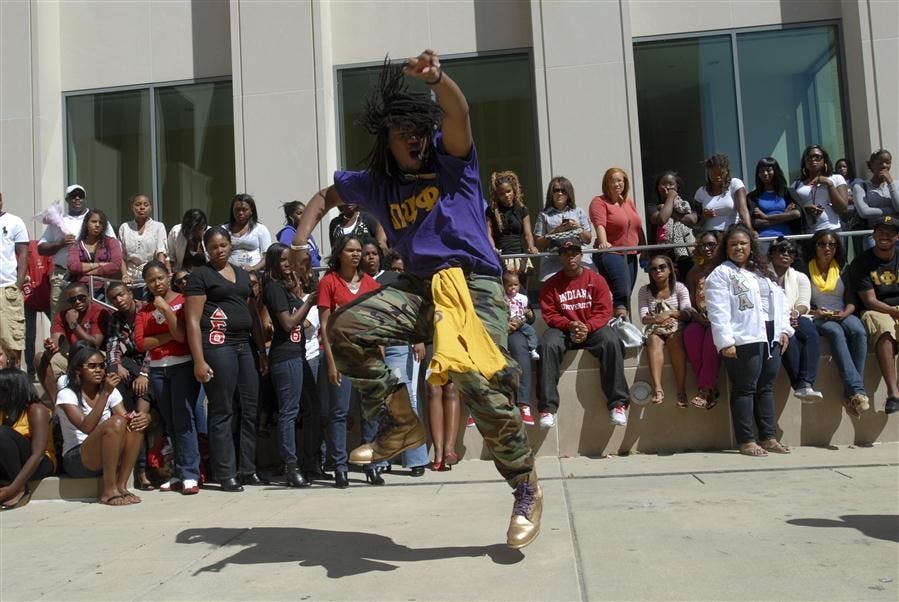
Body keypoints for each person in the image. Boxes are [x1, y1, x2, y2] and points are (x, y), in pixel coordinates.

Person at [289, 50, 542, 549]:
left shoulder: (454, 166)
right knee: (346, 329)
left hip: (473, 287)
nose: (415, 141)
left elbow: (459, 114)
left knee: (477, 385)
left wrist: (438, 79)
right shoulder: (377, 185)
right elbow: (323, 198)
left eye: (419, 131)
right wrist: (300, 240)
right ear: (387, 140)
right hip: (419, 289)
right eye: (404, 135)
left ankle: (525, 487)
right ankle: (399, 422)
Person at [184, 227, 268, 492]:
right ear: (207, 249)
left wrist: (261, 350)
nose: (219, 250)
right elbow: (193, 321)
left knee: (251, 408)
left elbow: (252, 313)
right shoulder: (201, 276)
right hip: (218, 345)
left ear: (230, 245)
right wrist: (199, 360)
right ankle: (225, 472)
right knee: (222, 409)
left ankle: (247, 468)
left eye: (223, 245)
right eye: (214, 247)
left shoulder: (242, 274)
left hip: (245, 345)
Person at [705, 224, 794, 457]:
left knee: (765, 387)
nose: (738, 248)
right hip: (743, 337)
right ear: (725, 248)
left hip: (770, 336)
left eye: (743, 243)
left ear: (751, 246)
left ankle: (768, 437)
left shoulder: (761, 271)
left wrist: (784, 330)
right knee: (744, 389)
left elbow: (781, 302)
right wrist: (725, 341)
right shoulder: (721, 274)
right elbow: (717, 310)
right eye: (733, 244)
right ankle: (746, 440)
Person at [537, 239, 630, 427]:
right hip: (563, 329)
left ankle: (618, 404)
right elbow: (549, 314)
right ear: (560, 257)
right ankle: (547, 408)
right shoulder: (551, 284)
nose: (570, 257)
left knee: (611, 341)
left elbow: (604, 311)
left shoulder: (596, 280)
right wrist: (570, 324)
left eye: (573, 253)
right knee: (548, 344)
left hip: (592, 328)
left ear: (581, 254)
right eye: (565, 253)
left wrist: (587, 327)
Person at [361, 238, 430, 476]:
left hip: (398, 347)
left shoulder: (393, 279)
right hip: (370, 351)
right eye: (365, 254)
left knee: (406, 400)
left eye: (373, 253)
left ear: (380, 257)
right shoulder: (358, 283)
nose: (370, 257)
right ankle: (382, 459)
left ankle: (416, 459)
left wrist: (417, 337)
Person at [317, 235, 381, 488]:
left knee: (370, 413)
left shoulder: (371, 284)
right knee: (339, 413)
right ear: (339, 253)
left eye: (359, 251)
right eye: (350, 250)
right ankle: (340, 466)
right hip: (340, 355)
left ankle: (371, 466)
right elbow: (324, 325)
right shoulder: (329, 282)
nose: (356, 255)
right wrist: (332, 362)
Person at [133, 261, 202, 494]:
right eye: (151, 280)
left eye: (160, 278)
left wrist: (164, 311)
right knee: (170, 422)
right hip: (157, 368)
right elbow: (141, 343)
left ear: (168, 276)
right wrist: (167, 335)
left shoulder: (182, 302)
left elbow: (182, 335)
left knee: (184, 419)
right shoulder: (144, 310)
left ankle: (191, 474)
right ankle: (177, 473)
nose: (156, 284)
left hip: (181, 365)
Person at [56, 346, 149, 505]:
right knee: (116, 422)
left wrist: (145, 418)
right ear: (79, 370)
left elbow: (125, 418)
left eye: (101, 366)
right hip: (77, 458)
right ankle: (108, 490)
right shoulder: (67, 394)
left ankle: (121, 486)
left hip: (107, 453)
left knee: (134, 424)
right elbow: (86, 427)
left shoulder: (109, 391)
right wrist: (105, 394)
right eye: (92, 366)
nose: (98, 370)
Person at [261, 243, 317, 488]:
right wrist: (309, 301)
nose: (287, 263)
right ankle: (291, 466)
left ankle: (310, 462)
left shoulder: (287, 287)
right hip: (285, 357)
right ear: (273, 262)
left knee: (311, 407)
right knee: (289, 412)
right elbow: (288, 322)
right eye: (282, 260)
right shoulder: (273, 288)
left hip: (298, 354)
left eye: (289, 259)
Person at [807, 230, 869, 417]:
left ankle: (853, 392)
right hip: (816, 316)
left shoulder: (843, 267)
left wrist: (845, 313)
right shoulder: (803, 269)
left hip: (842, 312)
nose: (827, 248)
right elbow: (800, 302)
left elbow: (852, 300)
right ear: (814, 246)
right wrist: (816, 312)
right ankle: (857, 390)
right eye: (822, 244)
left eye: (832, 244)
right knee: (835, 332)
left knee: (858, 330)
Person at [847, 215, 899, 415]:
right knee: (885, 330)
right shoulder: (862, 262)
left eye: (890, 232)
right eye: (880, 231)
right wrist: (894, 312)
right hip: (876, 308)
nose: (884, 236)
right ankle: (894, 394)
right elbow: (869, 300)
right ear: (874, 234)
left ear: (897, 236)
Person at [105, 280, 153, 490]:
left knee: (140, 416)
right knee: (131, 416)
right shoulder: (116, 318)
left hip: (153, 366)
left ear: (129, 293)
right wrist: (116, 365)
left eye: (122, 295)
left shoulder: (148, 310)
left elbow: (157, 346)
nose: (119, 300)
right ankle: (139, 472)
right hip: (130, 367)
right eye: (114, 298)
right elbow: (113, 345)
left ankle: (145, 470)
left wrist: (144, 373)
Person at [37, 184, 115, 314]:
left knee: (95, 314)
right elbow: (41, 248)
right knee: (60, 315)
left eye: (80, 196)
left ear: (85, 198)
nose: (77, 199)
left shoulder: (96, 219)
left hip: (92, 275)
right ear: (67, 199)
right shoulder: (58, 221)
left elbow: (113, 244)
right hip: (63, 275)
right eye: (73, 196)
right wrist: (60, 243)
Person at [35, 281, 110, 404]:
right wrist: (51, 345)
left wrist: (74, 325)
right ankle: (57, 405)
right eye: (72, 300)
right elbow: (56, 339)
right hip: (74, 359)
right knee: (40, 358)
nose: (77, 302)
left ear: (89, 296)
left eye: (81, 298)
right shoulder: (63, 315)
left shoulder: (99, 311)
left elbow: (95, 344)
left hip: (97, 358)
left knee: (98, 358)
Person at [767, 237, 823, 401]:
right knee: (787, 338)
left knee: (811, 333)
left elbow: (804, 303)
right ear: (772, 254)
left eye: (790, 252)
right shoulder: (761, 275)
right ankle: (800, 386)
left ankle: (806, 382)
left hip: (795, 315)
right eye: (781, 250)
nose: (786, 254)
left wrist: (795, 313)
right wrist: (783, 316)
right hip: (772, 318)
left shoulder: (800, 277)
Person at [589, 167, 646, 318]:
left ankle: (620, 328)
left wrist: (644, 249)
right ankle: (618, 326)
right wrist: (603, 242)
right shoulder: (599, 202)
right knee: (622, 291)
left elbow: (637, 225)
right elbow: (599, 223)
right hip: (612, 253)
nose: (616, 184)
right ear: (606, 183)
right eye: (612, 180)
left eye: (620, 180)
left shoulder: (628, 202)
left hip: (631, 254)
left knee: (625, 296)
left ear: (625, 182)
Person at [637, 254, 691, 407]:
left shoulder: (679, 287)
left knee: (674, 339)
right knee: (653, 340)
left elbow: (687, 312)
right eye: (653, 269)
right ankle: (658, 389)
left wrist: (670, 314)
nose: (657, 271)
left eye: (662, 267)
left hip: (677, 327)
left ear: (670, 270)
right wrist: (658, 319)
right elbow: (643, 317)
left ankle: (681, 391)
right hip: (656, 329)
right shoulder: (644, 291)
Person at [0, 368, 56, 510]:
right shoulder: (3, 410)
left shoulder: (36, 410)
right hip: (12, 462)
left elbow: (38, 454)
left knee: (3, 433)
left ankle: (20, 491)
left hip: (41, 462)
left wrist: (14, 487)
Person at [683, 231, 722, 409]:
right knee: (691, 335)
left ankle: (705, 389)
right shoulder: (694, 272)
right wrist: (697, 317)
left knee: (711, 341)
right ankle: (710, 389)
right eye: (703, 245)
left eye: (711, 245)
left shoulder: (725, 268)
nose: (707, 249)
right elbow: (689, 300)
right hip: (700, 318)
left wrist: (715, 318)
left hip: (720, 319)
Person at [533, 176, 594, 282]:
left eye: (563, 190)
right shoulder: (544, 215)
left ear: (569, 193)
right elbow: (538, 243)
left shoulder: (578, 211)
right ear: (551, 193)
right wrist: (556, 231)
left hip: (577, 257)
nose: (560, 193)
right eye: (556, 190)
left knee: (592, 278)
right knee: (550, 284)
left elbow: (588, 239)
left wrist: (578, 228)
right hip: (554, 258)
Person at [486, 171, 539, 288]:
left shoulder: (522, 209)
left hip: (519, 257)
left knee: (522, 294)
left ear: (514, 190)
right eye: (502, 193)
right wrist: (492, 248)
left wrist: (531, 246)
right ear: (497, 195)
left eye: (508, 191)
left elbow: (528, 233)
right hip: (501, 257)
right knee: (505, 293)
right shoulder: (491, 211)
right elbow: (488, 232)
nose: (506, 195)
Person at [502, 271, 538, 426]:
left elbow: (531, 317)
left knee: (520, 348)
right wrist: (503, 325)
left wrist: (526, 317)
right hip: (495, 331)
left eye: (515, 285)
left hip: (517, 330)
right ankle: (480, 407)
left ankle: (523, 404)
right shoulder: (490, 287)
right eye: (509, 285)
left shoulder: (518, 289)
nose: (513, 288)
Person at [648, 171, 697, 280]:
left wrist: (669, 210)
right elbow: (662, 218)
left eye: (671, 184)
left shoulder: (685, 205)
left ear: (677, 187)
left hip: (685, 254)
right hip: (662, 255)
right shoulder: (653, 207)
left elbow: (692, 220)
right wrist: (670, 198)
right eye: (663, 184)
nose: (667, 187)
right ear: (657, 187)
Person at [0, 192, 29, 368]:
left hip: (8, 288)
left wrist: (18, 285)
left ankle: (15, 386)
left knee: (12, 342)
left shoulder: (14, 222)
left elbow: (24, 254)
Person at [747, 157, 802, 249]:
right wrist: (785, 215)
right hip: (763, 240)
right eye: (761, 171)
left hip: (786, 239)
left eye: (768, 170)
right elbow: (754, 222)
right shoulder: (753, 197)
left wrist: (766, 216)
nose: (765, 173)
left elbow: (797, 214)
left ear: (775, 171)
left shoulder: (788, 193)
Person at [793, 144, 849, 233]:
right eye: (809, 157)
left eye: (817, 157)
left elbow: (843, 209)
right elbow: (791, 208)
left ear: (824, 160)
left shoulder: (836, 178)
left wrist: (829, 184)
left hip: (831, 229)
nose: (813, 159)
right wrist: (805, 209)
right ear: (805, 162)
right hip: (807, 232)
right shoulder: (796, 184)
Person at [118, 193, 168, 287]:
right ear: (132, 208)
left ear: (150, 207)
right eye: (138, 204)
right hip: (130, 279)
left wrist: (159, 274)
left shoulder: (158, 227)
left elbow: (161, 253)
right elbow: (121, 256)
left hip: (151, 278)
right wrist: (124, 275)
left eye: (146, 205)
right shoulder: (125, 227)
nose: (142, 207)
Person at [853, 149, 899, 250]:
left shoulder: (896, 185)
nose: (884, 166)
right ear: (871, 164)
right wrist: (892, 210)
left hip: (896, 234)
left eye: (888, 162)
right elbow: (864, 212)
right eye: (880, 162)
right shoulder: (861, 186)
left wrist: (890, 183)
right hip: (874, 236)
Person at [693, 153, 751, 232]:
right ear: (708, 172)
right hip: (710, 238)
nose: (717, 177)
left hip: (730, 235)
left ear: (727, 171)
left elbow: (743, 211)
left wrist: (749, 232)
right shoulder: (701, 192)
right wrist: (704, 217)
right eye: (713, 173)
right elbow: (696, 224)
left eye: (721, 173)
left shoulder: (735, 184)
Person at [67, 209, 123, 287]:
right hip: (81, 289)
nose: (97, 225)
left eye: (101, 223)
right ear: (86, 223)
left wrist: (90, 272)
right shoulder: (76, 245)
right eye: (94, 221)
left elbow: (116, 265)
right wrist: (99, 264)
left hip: (105, 288)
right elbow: (73, 266)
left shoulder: (112, 242)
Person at [226, 194, 272, 272]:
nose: (240, 213)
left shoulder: (260, 229)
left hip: (254, 274)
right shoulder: (224, 230)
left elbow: (267, 256)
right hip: (230, 274)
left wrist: (254, 268)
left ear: (251, 211)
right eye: (237, 209)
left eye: (244, 210)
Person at [275, 201, 321, 268]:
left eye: (306, 213)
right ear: (290, 216)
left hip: (313, 273)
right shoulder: (288, 233)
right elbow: (286, 256)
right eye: (299, 213)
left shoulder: (305, 232)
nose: (304, 216)